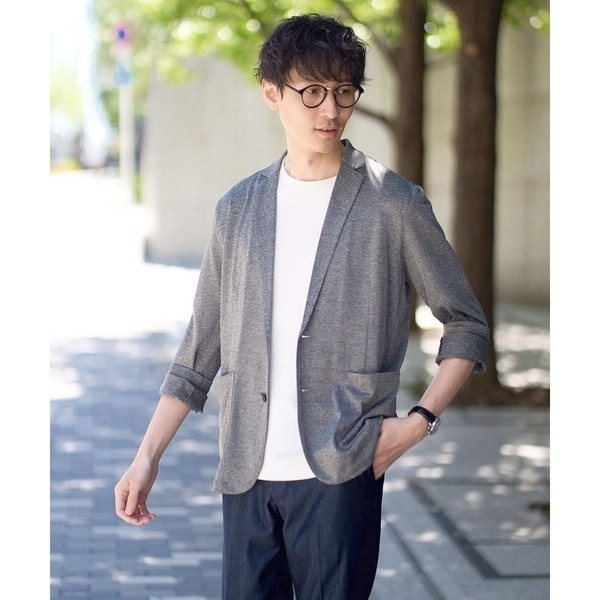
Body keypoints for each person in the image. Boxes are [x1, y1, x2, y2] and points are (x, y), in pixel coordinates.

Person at [115, 13, 489, 600]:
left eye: (344, 91)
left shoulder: (392, 202)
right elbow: (200, 349)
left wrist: (418, 423)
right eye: (311, 91)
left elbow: (465, 323)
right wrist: (146, 458)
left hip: (343, 466)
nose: (330, 109)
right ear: (272, 92)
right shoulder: (238, 208)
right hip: (247, 471)